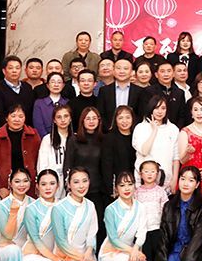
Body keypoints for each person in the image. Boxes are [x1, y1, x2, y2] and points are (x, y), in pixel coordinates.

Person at [151, 166, 202, 261]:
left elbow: (199, 237)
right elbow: (164, 236)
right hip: (174, 252)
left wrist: (188, 260)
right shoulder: (169, 206)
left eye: (191, 180)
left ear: (197, 184)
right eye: (183, 179)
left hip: (194, 253)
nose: (186, 183)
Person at [51, 167, 105, 261]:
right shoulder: (58, 208)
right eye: (76, 182)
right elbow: (61, 242)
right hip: (65, 259)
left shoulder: (90, 205)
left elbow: (92, 234)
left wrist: (88, 255)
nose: (81, 186)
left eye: (84, 181)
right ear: (68, 184)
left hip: (86, 256)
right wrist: (81, 259)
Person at [99, 171, 153, 261]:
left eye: (130, 184)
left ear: (135, 186)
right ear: (116, 188)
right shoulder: (110, 210)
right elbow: (113, 239)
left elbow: (142, 232)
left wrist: (135, 250)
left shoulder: (140, 207)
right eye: (122, 185)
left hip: (131, 250)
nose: (126, 188)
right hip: (111, 252)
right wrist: (133, 252)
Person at [63, 106, 106, 243]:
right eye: (88, 118)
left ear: (99, 120)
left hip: (97, 191)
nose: (91, 121)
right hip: (78, 190)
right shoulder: (74, 139)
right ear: (82, 121)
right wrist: (69, 187)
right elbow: (67, 165)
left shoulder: (103, 140)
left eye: (94, 118)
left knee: (98, 226)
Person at [0, 105, 40, 198]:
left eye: (21, 116)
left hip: (30, 185)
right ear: (6, 118)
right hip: (5, 187)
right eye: (13, 116)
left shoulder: (33, 135)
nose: (17, 119)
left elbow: (39, 161)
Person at [21, 169, 63, 261]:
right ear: (37, 186)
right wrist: (53, 258)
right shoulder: (31, 209)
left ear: (58, 186)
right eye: (43, 184)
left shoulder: (63, 207)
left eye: (52, 183)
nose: (48, 188)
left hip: (56, 254)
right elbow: (35, 240)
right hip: (33, 254)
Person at [0, 168, 33, 261]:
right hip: (4, 248)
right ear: (10, 183)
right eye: (17, 181)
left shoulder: (34, 204)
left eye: (25, 181)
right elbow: (7, 236)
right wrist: (13, 212)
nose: (22, 185)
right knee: (13, 251)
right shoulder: (1, 206)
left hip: (27, 248)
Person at [133, 96, 181, 193]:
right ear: (151, 109)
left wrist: (174, 179)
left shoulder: (173, 129)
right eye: (156, 108)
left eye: (163, 108)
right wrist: (154, 130)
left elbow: (176, 157)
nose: (160, 111)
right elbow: (144, 151)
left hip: (165, 180)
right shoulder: (140, 128)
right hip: (144, 180)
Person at [178, 96, 202, 201]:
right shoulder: (185, 132)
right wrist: (187, 152)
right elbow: (182, 160)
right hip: (188, 176)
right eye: (195, 110)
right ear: (191, 113)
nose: (199, 113)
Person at [136, 160, 169, 261]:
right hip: (143, 231)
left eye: (153, 171)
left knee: (158, 256)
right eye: (146, 171)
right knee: (146, 259)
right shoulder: (136, 192)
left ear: (157, 174)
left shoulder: (160, 191)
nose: (149, 174)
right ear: (140, 174)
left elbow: (166, 210)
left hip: (157, 229)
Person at [36, 104, 72, 200]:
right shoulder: (47, 139)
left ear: (70, 119)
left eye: (66, 116)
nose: (63, 120)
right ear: (54, 120)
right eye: (59, 117)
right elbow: (42, 165)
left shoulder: (76, 138)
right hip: (52, 183)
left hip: (71, 184)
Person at [97, 58, 141, 131]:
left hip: (133, 131)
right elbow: (101, 113)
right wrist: (109, 128)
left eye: (125, 68)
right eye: (118, 68)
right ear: (113, 71)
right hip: (109, 132)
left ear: (131, 72)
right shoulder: (104, 90)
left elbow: (140, 114)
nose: (122, 71)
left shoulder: (139, 91)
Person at [101, 105, 136, 198]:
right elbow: (106, 165)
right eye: (120, 118)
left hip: (135, 184)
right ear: (115, 120)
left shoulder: (137, 136)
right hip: (117, 185)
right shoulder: (109, 138)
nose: (124, 121)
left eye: (128, 117)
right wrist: (112, 188)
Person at [0, 55, 36, 125]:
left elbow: (30, 112)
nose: (14, 71)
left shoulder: (27, 87)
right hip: (5, 128)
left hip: (25, 128)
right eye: (10, 68)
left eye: (17, 68)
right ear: (4, 71)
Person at [149, 61, 189, 128]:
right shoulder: (149, 91)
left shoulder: (179, 93)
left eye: (169, 71)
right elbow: (146, 113)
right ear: (156, 75)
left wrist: (176, 130)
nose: (166, 74)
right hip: (154, 128)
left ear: (173, 74)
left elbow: (182, 116)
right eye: (162, 71)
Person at [32, 72, 68, 137]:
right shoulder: (39, 103)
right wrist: (48, 139)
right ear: (48, 85)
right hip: (45, 140)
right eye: (53, 82)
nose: (56, 85)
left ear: (63, 85)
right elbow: (38, 126)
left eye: (59, 82)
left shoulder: (67, 103)